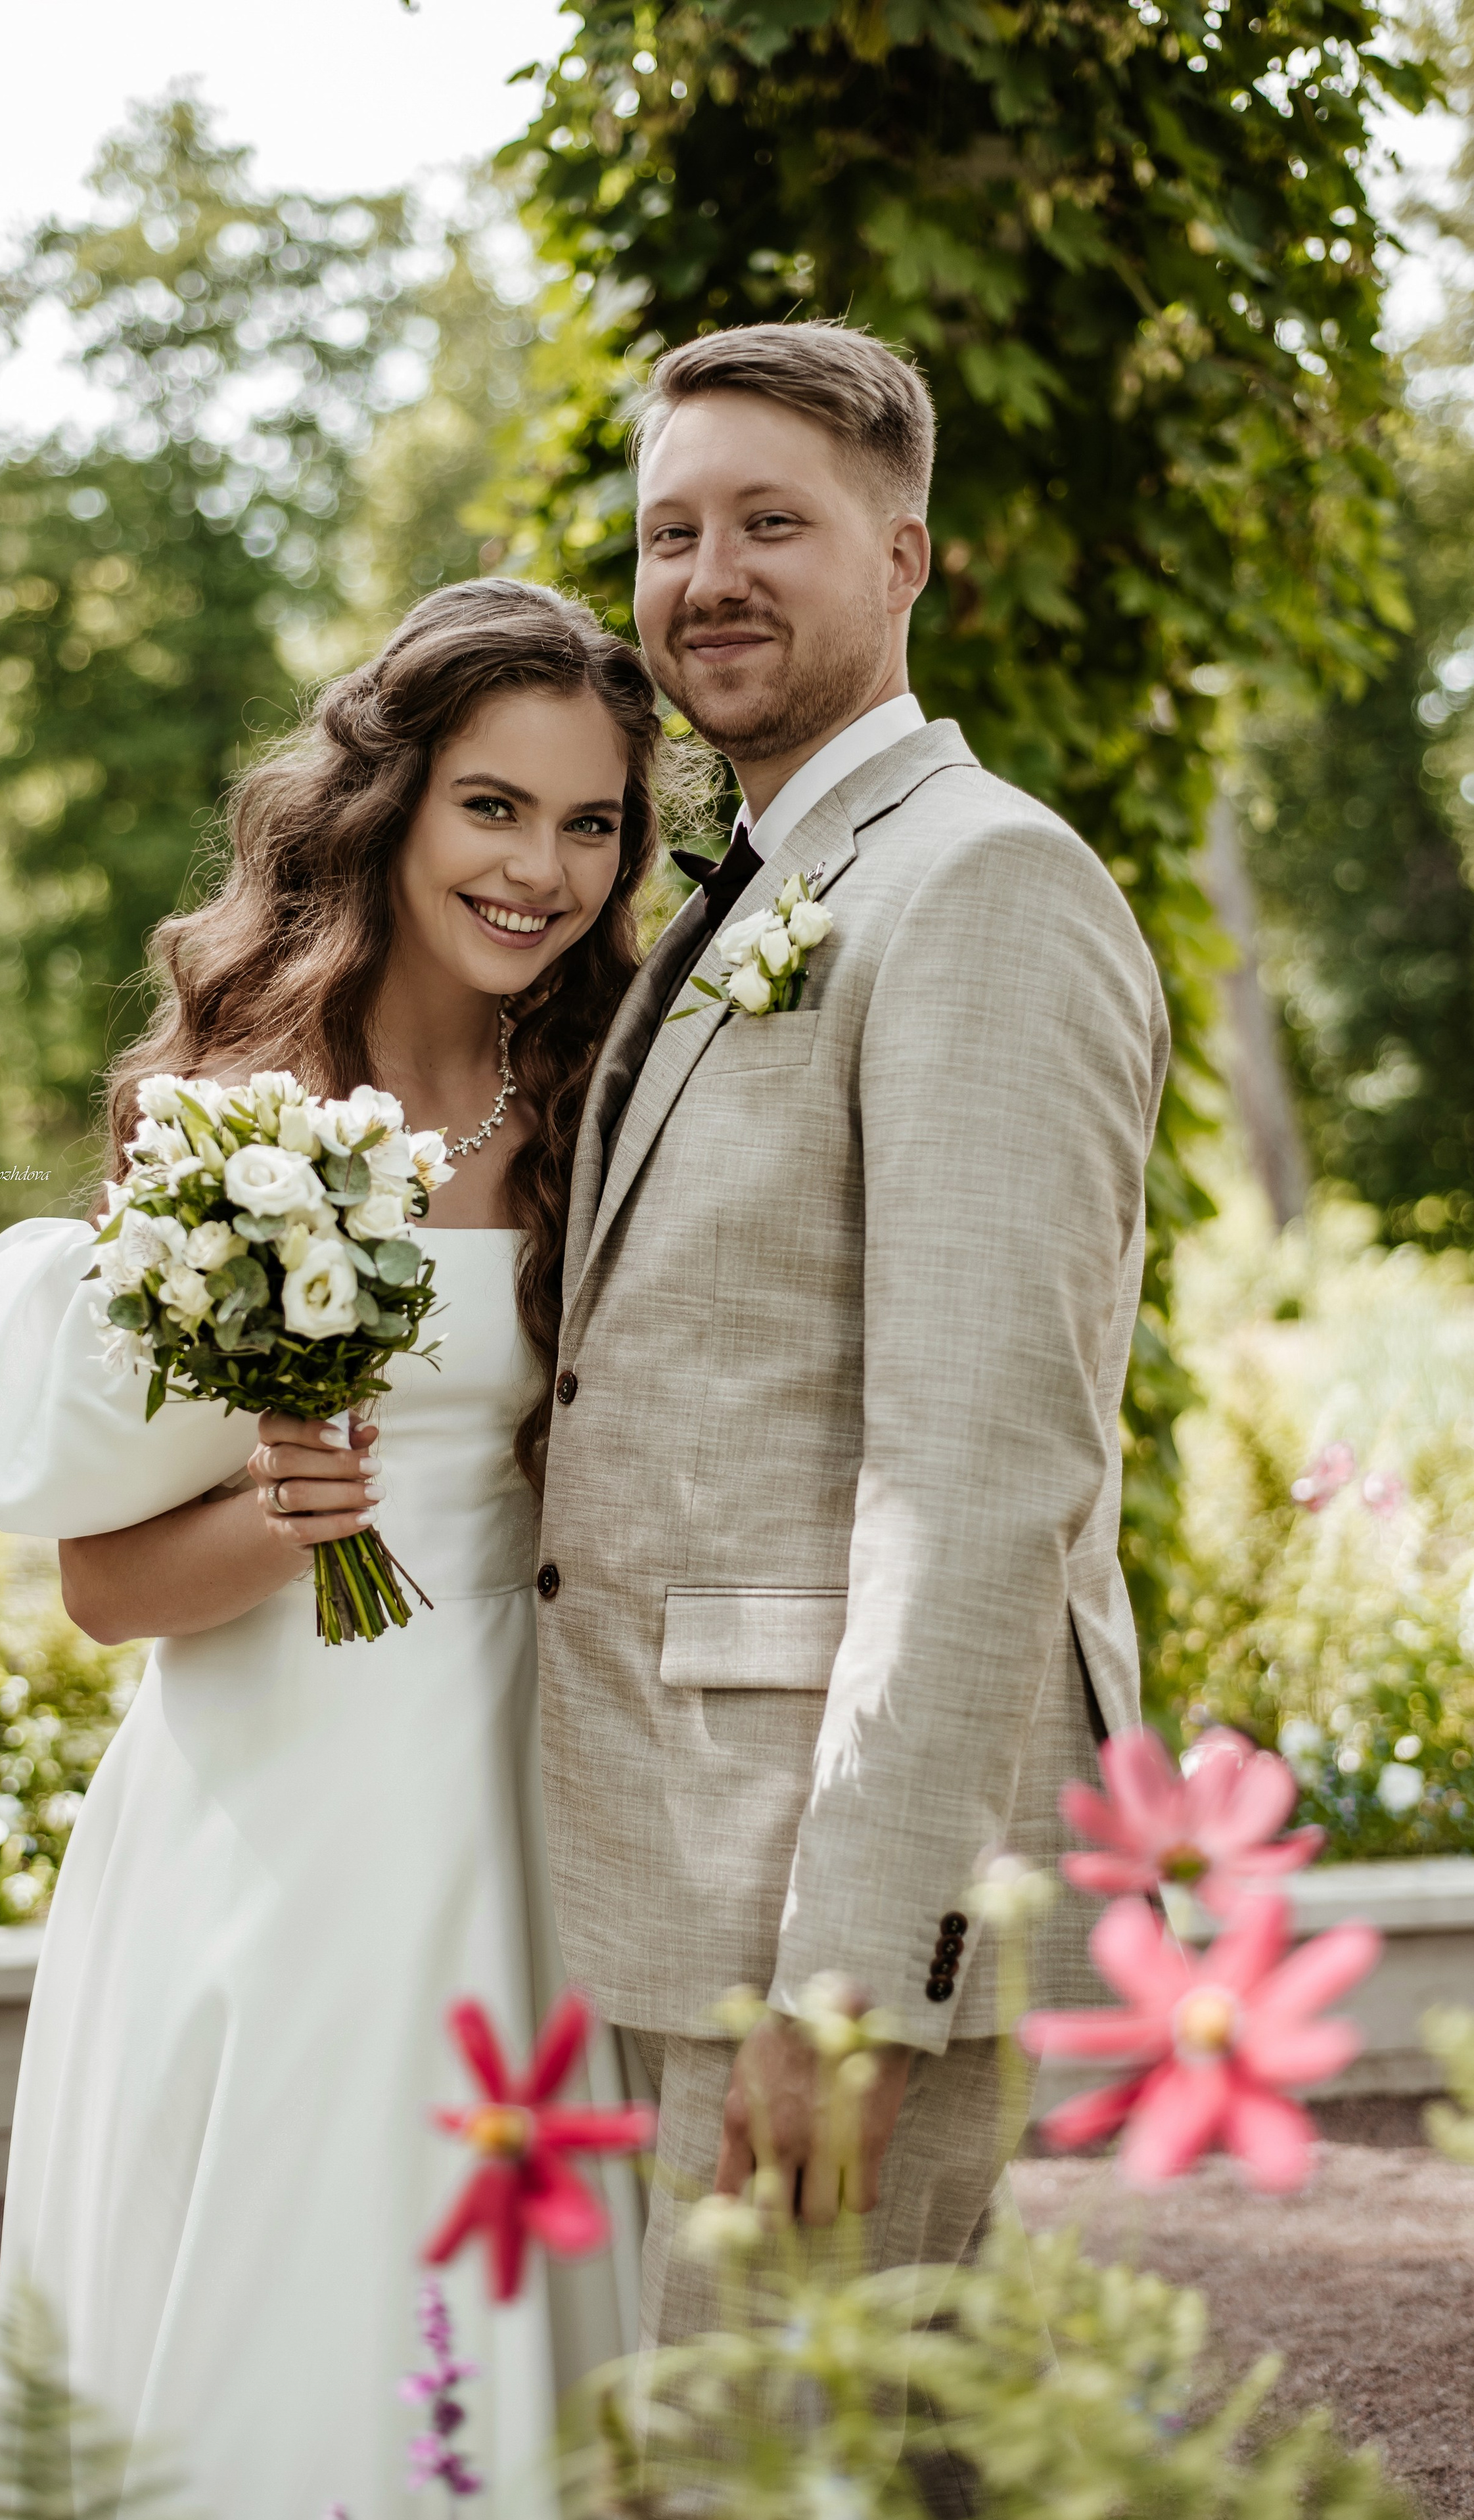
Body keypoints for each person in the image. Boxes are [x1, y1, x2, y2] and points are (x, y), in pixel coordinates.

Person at [0, 580, 671, 2520]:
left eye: (592, 826)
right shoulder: (237, 1134)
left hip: (521, 1784)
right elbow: (103, 1588)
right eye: (496, 807)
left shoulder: (611, 1106)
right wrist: (275, 1515)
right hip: (266, 1799)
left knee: (488, 2255)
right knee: (278, 2260)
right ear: (395, 806)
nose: (542, 871)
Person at [532, 323, 1171, 2366]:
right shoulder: (759, 878)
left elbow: (981, 1481)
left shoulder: (984, 884)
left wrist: (849, 1980)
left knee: (786, 2475)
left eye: (771, 523)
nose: (707, 574)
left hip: (823, 1894)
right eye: (671, 531)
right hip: (678, 1855)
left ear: (906, 554)